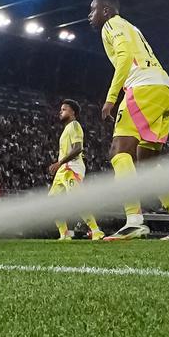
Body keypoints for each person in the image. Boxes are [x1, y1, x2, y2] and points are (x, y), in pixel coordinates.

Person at [88, 0, 169, 241]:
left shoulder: (111, 24)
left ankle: (134, 220)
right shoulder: (131, 27)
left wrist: (111, 97)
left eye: (93, 10)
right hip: (164, 89)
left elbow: (125, 58)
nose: (89, 16)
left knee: (119, 152)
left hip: (143, 87)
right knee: (148, 165)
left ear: (106, 11)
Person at [47, 100, 104, 241]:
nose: (60, 111)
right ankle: (64, 234)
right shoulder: (66, 129)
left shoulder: (74, 125)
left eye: (64, 109)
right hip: (63, 170)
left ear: (73, 112)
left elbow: (78, 148)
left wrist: (59, 162)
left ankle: (96, 231)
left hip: (71, 168)